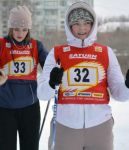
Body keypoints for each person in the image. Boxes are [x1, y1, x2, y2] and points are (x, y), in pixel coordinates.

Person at [37, 1, 129, 150]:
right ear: (68, 25)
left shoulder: (106, 52)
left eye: (86, 22)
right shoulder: (57, 52)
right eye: (76, 23)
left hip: (99, 126)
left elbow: (120, 94)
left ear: (93, 25)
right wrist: (50, 83)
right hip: (65, 126)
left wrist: (127, 85)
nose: (82, 28)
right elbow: (42, 94)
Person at [0, 6, 48, 150]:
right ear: (10, 27)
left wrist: (56, 74)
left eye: (25, 29)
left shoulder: (35, 46)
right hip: (5, 109)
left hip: (30, 108)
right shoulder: (0, 44)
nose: (20, 33)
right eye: (16, 29)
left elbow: (50, 66)